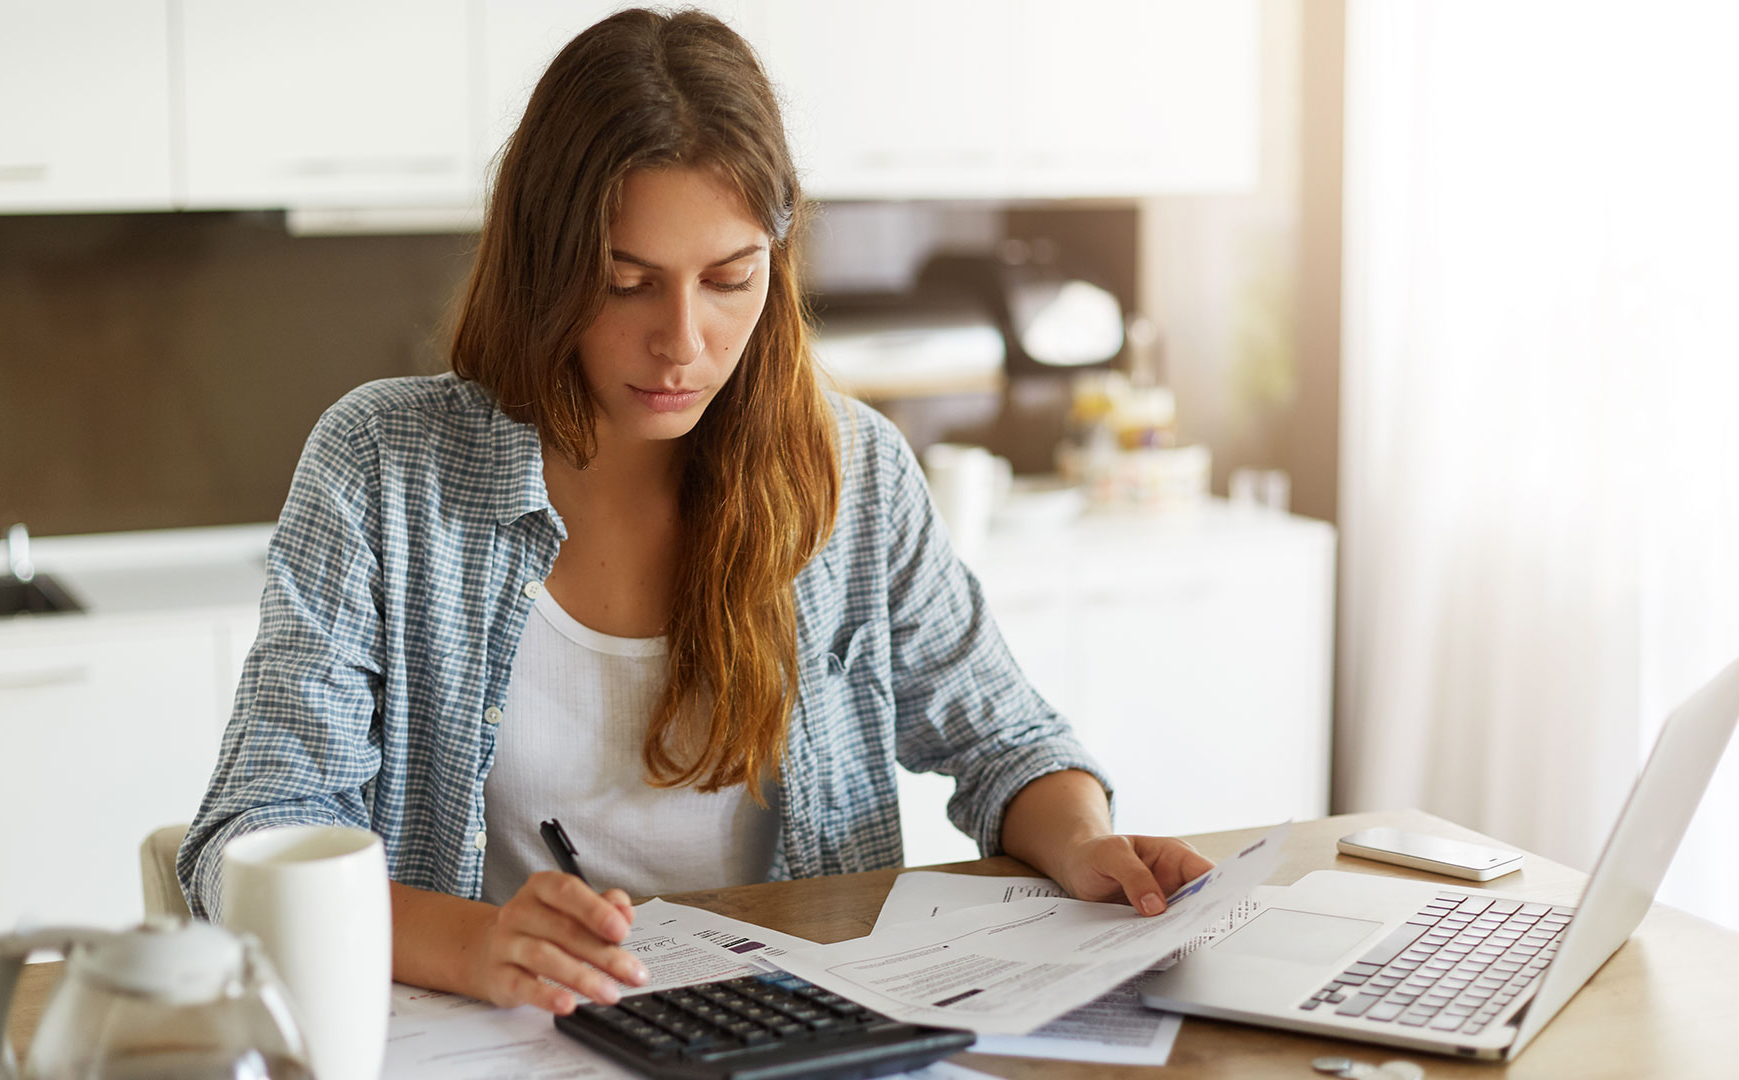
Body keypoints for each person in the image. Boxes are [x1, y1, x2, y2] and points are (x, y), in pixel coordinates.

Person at [179, 7, 1212, 1017]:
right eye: (628, 283)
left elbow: (1008, 743)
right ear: (546, 266)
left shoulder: (851, 474)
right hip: (503, 1037)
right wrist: (477, 943)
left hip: (791, 1029)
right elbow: (247, 842)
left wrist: (1082, 840)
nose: (683, 342)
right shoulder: (381, 468)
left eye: (729, 280)